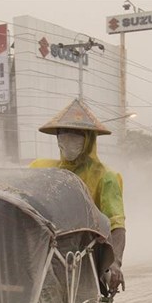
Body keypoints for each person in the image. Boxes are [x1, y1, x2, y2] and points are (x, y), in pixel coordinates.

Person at [29, 99, 126, 292]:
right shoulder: (42, 169)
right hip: (44, 255)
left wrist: (115, 263)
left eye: (75, 135)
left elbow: (117, 225)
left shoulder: (106, 177)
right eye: (63, 134)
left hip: (83, 259)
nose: (67, 139)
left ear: (89, 139)